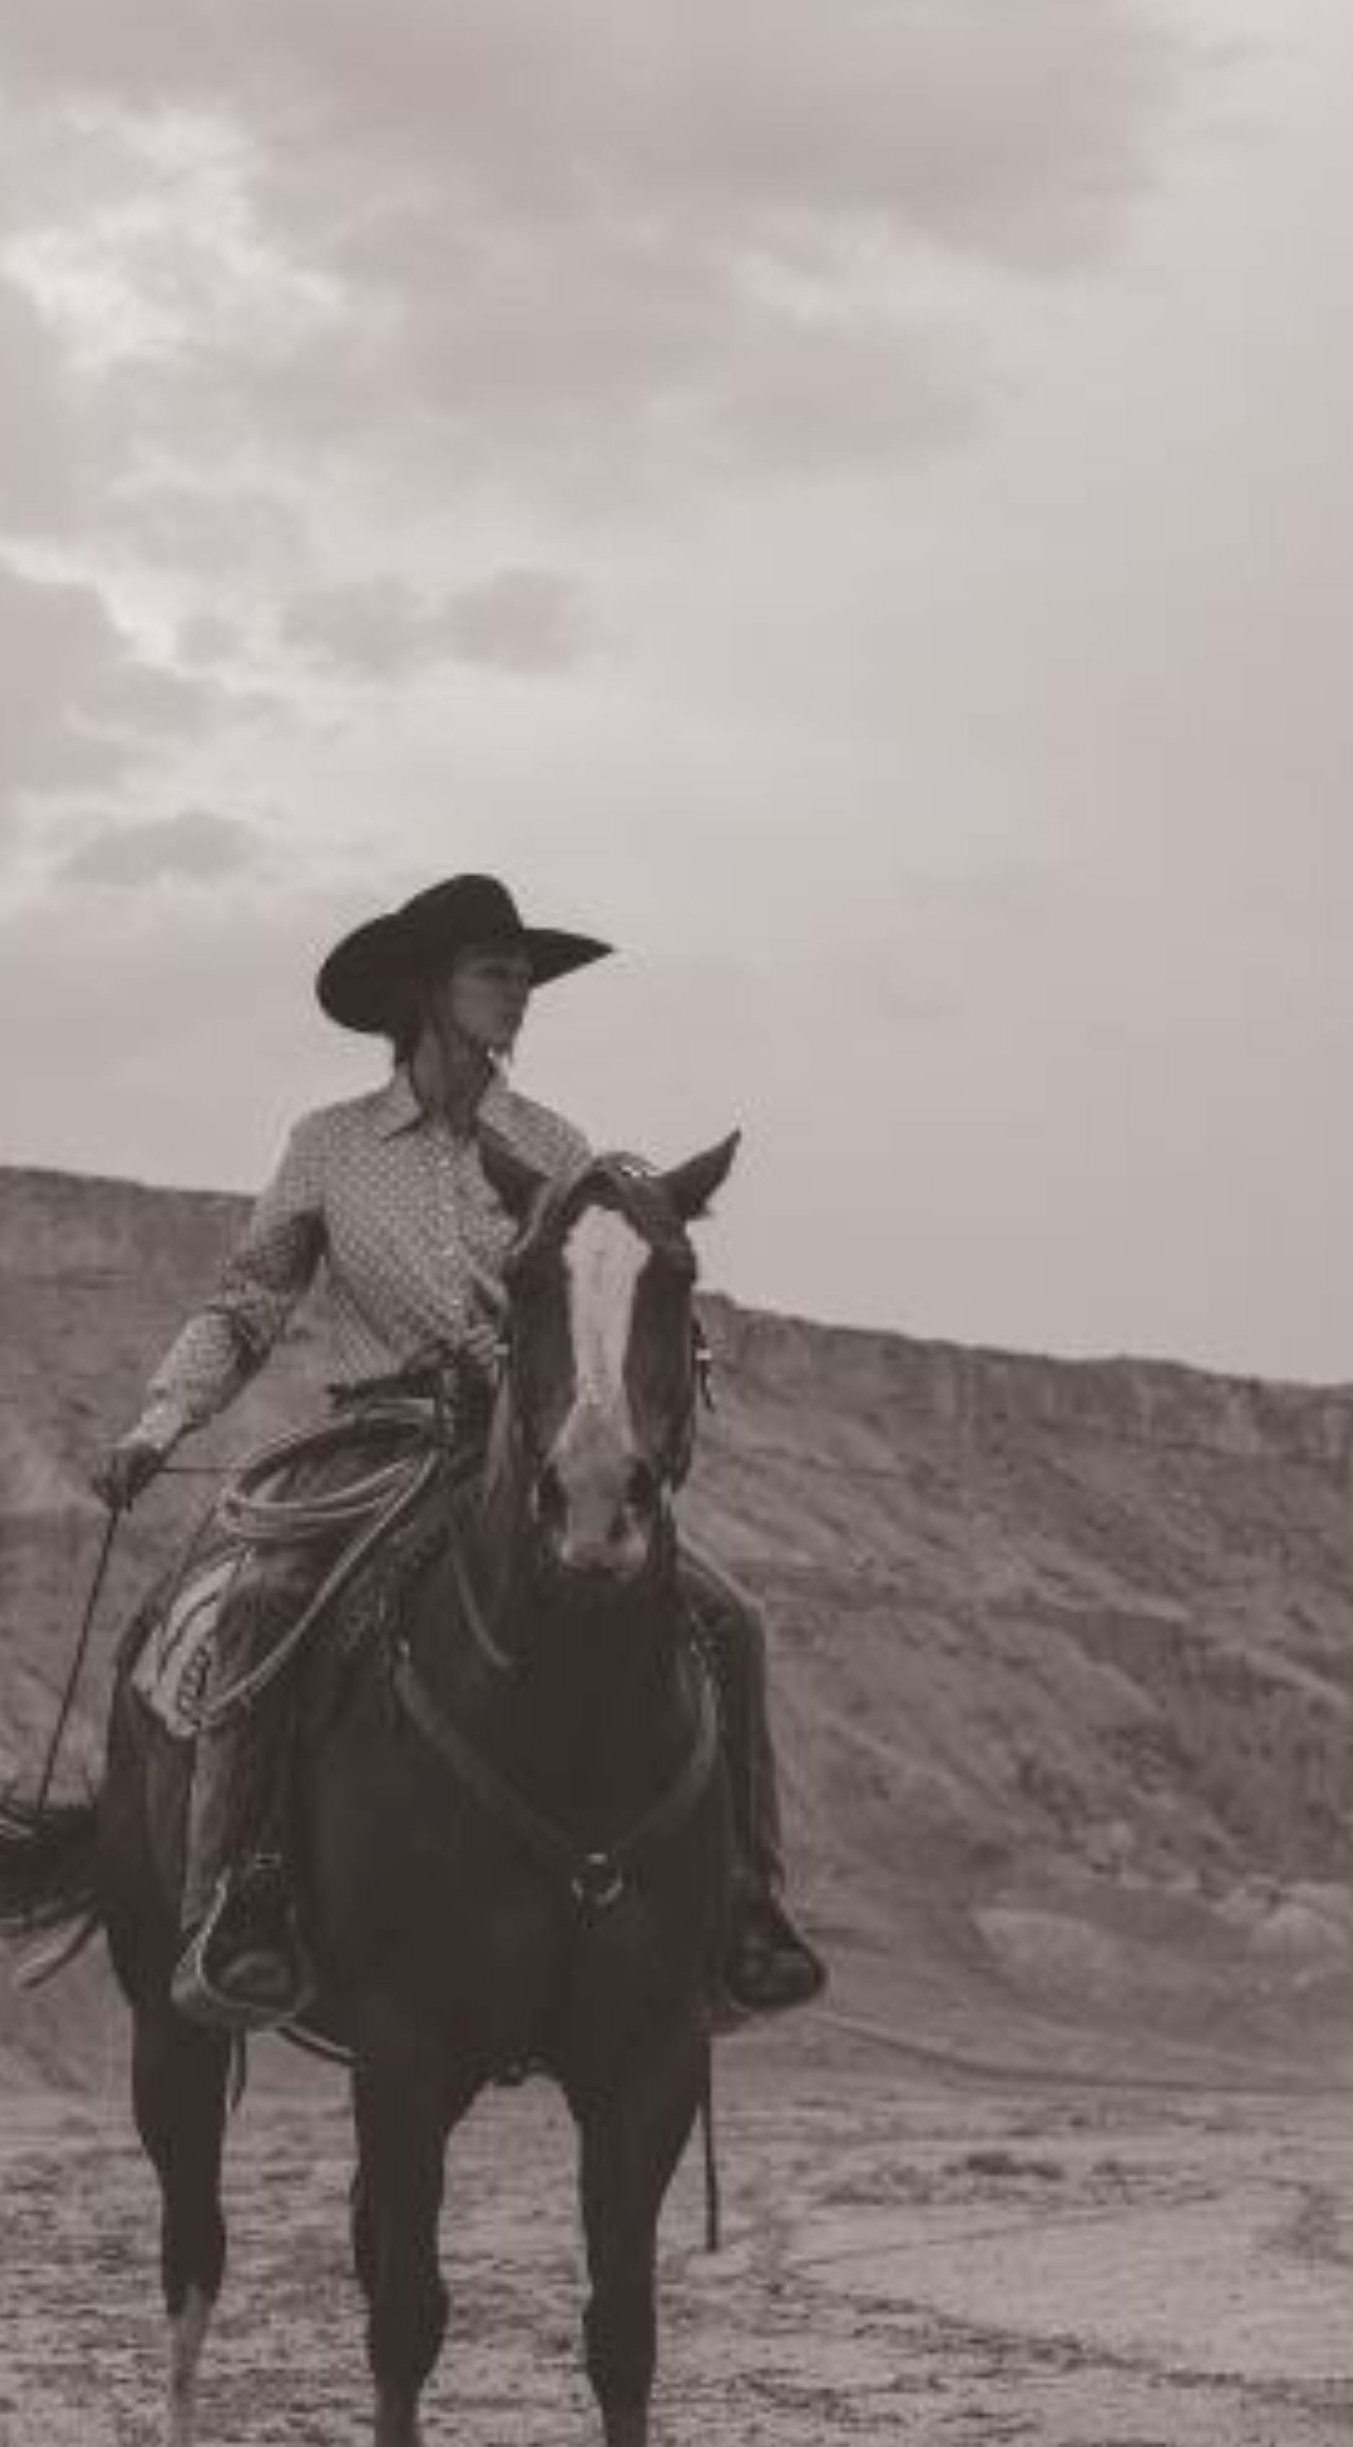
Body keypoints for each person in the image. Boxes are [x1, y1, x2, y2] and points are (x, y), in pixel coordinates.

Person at [96, 871, 826, 2032]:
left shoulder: (556, 1148)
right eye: (495, 972)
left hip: (525, 1444)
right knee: (262, 1600)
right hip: (379, 1436)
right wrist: (158, 1422)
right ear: (424, 991)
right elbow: (246, 1305)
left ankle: (743, 1907)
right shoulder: (328, 1146)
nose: (518, 991)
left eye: (524, 975)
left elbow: (596, 1305)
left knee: (729, 1620)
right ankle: (243, 1899)